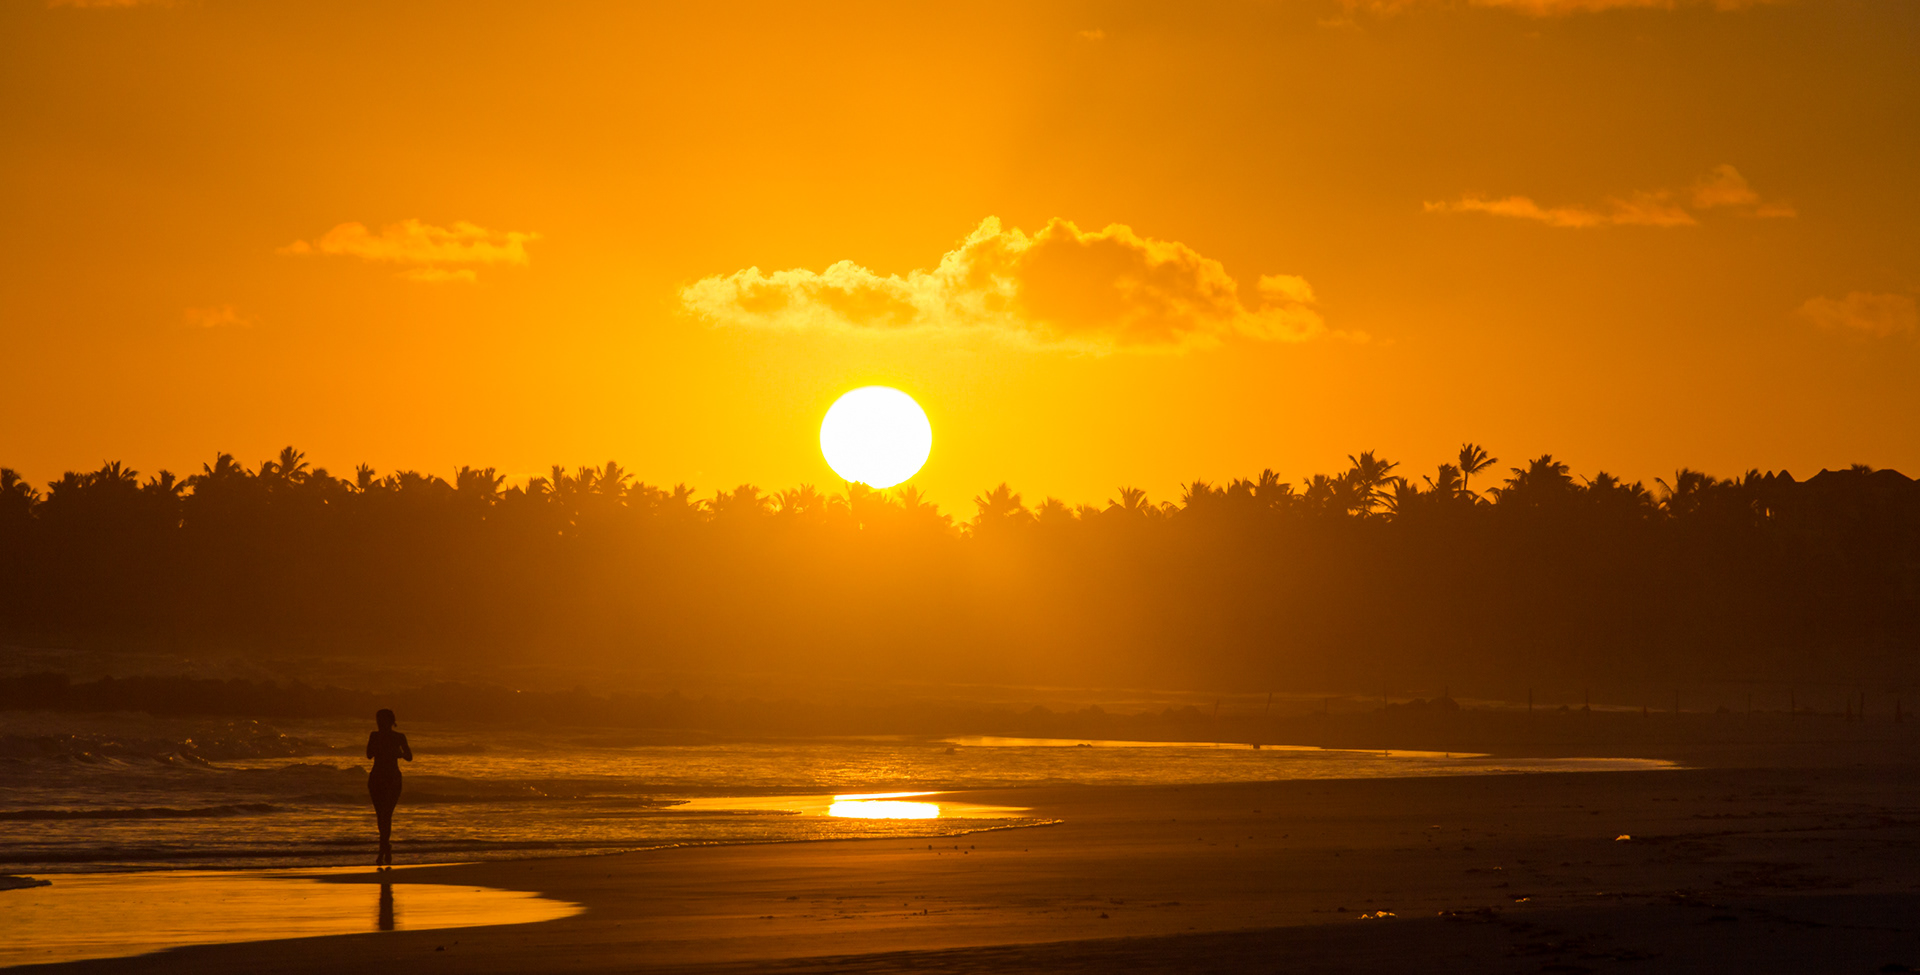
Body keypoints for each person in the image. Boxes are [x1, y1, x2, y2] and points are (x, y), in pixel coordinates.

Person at [366, 708, 413, 867]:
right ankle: (385, 847)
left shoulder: (399, 737)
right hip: (376, 778)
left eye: (382, 720)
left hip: (392, 778)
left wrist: (398, 753)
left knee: (387, 814)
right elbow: (368, 754)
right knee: (381, 815)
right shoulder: (374, 735)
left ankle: (383, 849)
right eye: (378, 720)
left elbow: (409, 757)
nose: (380, 723)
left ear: (390, 722)